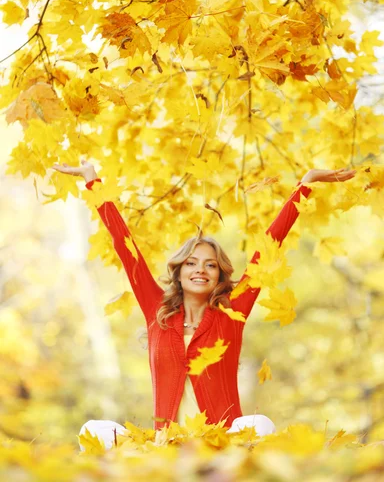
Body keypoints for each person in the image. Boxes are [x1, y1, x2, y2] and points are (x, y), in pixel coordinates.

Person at [51, 159, 356, 447]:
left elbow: (270, 245)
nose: (200, 270)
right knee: (91, 431)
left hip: (224, 443)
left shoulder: (231, 312)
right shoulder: (157, 310)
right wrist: (92, 179)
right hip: (166, 445)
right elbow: (124, 245)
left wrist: (306, 184)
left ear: (220, 273)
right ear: (179, 270)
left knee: (260, 424)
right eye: (191, 263)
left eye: (210, 265)